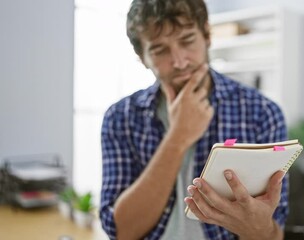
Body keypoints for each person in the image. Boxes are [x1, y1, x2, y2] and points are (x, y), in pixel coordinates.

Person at [100, 0, 289, 239]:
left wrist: (258, 225)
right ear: (142, 57)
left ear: (207, 35)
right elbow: (121, 231)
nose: (179, 62)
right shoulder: (120, 118)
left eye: (187, 41)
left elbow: (274, 233)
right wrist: (178, 136)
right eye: (160, 50)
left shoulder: (262, 113)